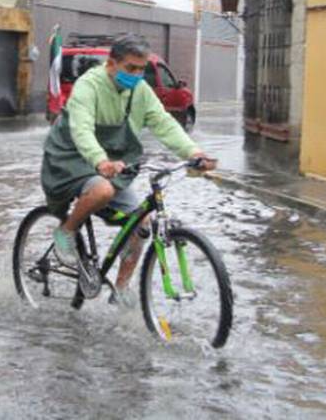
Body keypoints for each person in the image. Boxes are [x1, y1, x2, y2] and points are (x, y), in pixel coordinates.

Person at [40, 35, 216, 305]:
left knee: (142, 224)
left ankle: (121, 289)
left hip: (111, 163)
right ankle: (67, 230)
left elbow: (163, 123)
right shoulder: (89, 85)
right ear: (112, 64)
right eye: (130, 68)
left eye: (141, 69)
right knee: (102, 189)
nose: (136, 75)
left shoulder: (141, 91)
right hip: (71, 156)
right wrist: (100, 161)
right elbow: (82, 129)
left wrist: (193, 153)